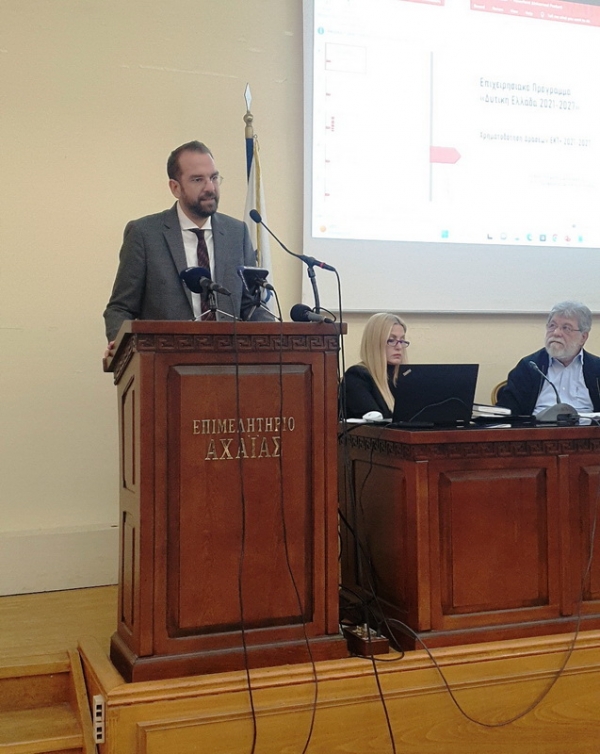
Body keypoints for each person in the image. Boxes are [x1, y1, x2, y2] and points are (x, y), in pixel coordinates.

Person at [103, 140, 271, 345]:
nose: (210, 187)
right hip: (165, 358)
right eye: (198, 180)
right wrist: (121, 347)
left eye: (214, 178)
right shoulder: (145, 234)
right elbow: (120, 309)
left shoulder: (237, 233)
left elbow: (251, 305)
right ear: (175, 187)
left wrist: (275, 338)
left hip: (228, 358)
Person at [496, 301, 600, 416]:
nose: (556, 333)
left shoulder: (597, 369)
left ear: (583, 337)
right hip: (538, 426)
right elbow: (508, 412)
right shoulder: (529, 367)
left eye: (566, 328)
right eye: (552, 326)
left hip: (588, 427)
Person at [341, 312, 409, 419]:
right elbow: (374, 422)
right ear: (375, 343)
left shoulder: (405, 378)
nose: (399, 347)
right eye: (391, 340)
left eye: (402, 340)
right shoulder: (357, 377)